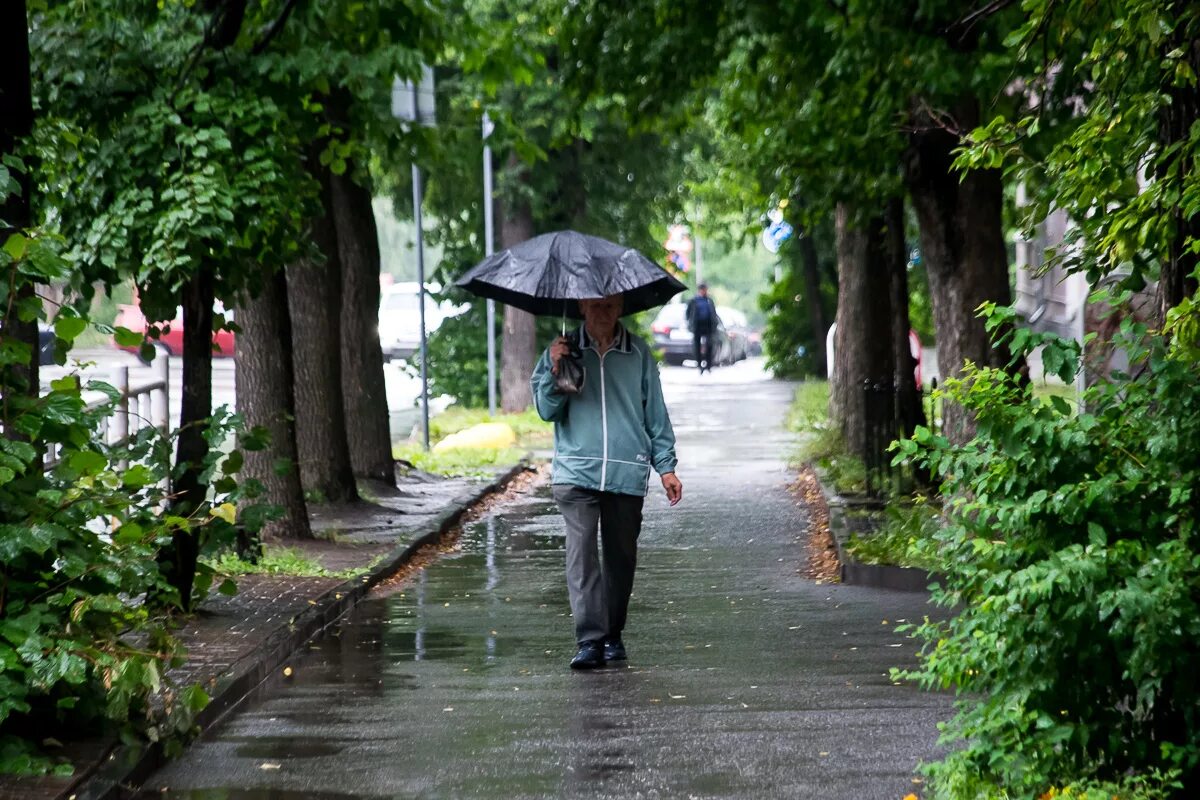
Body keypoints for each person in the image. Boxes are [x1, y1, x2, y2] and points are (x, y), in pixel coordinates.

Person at [531, 294, 683, 670]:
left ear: (621, 308)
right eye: (595, 305)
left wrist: (665, 467)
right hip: (575, 471)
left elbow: (655, 414)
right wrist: (554, 368)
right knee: (581, 557)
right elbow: (546, 410)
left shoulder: (638, 354)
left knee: (620, 559)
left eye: (610, 305)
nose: (603, 312)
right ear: (581, 307)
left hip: (625, 469)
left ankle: (613, 634)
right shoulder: (562, 350)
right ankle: (590, 639)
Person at [685, 283, 718, 372]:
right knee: (697, 345)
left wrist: (715, 323)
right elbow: (688, 313)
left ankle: (708, 365)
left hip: (708, 325)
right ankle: (699, 365)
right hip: (697, 325)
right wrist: (689, 323)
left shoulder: (709, 300)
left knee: (709, 345)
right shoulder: (694, 300)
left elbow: (713, 313)